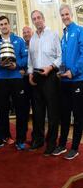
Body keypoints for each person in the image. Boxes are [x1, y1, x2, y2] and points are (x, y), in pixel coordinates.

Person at [0, 15, 28, 150]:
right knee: (2, 110)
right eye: (1, 24)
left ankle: (20, 140)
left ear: (9, 25)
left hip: (16, 78)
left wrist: (16, 65)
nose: (4, 26)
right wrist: (0, 65)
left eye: (6, 24)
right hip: (2, 79)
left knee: (21, 110)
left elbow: (25, 57)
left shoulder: (19, 40)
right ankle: (1, 139)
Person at [27, 10, 61, 155]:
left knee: (52, 112)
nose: (37, 20)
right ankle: (38, 139)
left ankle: (51, 143)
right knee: (38, 112)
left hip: (50, 75)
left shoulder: (53, 35)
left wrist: (51, 67)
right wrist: (30, 73)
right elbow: (30, 58)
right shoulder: (33, 38)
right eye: (34, 19)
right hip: (36, 76)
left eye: (39, 17)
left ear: (43, 18)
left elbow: (60, 56)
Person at [52, 4, 83, 160]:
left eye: (66, 14)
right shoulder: (63, 34)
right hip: (64, 81)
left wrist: (74, 71)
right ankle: (62, 145)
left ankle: (75, 147)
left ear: (71, 14)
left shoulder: (79, 31)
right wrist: (60, 70)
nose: (65, 17)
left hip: (77, 80)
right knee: (64, 115)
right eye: (62, 15)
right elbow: (63, 57)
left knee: (78, 116)